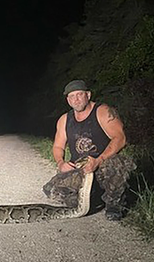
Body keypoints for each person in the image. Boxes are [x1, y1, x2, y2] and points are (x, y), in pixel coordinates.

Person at [44, 80, 136, 221]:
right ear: (68, 100)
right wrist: (61, 163)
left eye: (80, 94)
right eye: (72, 96)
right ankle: (94, 197)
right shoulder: (64, 120)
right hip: (81, 169)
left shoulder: (103, 111)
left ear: (88, 94)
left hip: (102, 164)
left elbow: (120, 138)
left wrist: (99, 160)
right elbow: (58, 147)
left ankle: (114, 205)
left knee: (117, 164)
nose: (76, 99)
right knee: (52, 190)